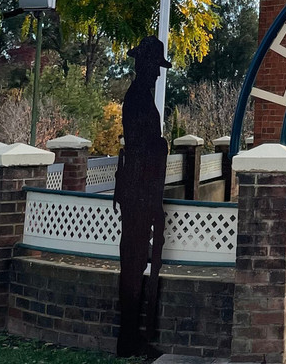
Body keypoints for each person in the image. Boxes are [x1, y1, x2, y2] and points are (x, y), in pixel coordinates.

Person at [113, 36, 171, 357]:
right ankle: (129, 337)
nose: (159, 74)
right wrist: (160, 147)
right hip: (138, 192)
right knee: (133, 263)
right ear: (145, 66)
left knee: (136, 262)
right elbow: (142, 150)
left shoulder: (141, 98)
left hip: (143, 191)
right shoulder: (137, 100)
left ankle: (132, 335)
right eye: (156, 67)